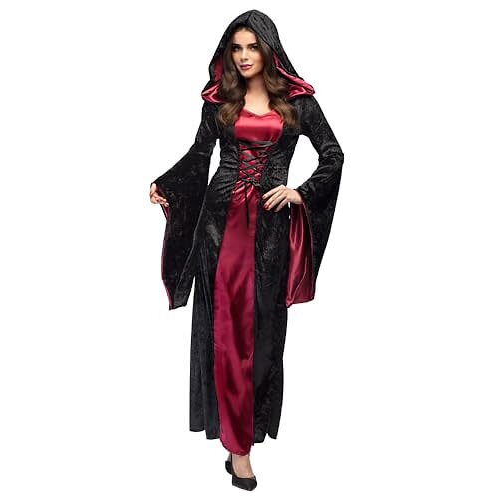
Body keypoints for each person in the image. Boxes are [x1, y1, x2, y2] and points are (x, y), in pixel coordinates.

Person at [149, 9, 344, 491]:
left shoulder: (298, 103)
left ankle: (243, 431)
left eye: (252, 47)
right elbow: (200, 156)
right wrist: (167, 185)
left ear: (269, 49)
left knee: (261, 337)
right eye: (236, 48)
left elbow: (333, 154)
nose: (243, 56)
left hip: (270, 234)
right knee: (225, 334)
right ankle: (239, 451)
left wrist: (300, 192)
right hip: (219, 229)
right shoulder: (219, 101)